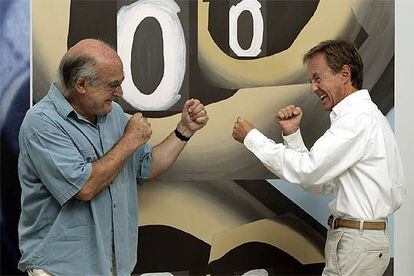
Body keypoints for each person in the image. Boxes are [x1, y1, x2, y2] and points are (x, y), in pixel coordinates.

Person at [17, 39, 208, 276]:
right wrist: (129, 141)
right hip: (61, 270)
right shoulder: (41, 123)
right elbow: (84, 186)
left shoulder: (112, 113)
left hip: (115, 267)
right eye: (113, 86)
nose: (120, 93)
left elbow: (147, 167)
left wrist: (184, 130)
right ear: (81, 84)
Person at [232, 39, 406, 276]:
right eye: (311, 81)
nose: (313, 88)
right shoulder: (365, 119)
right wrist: (292, 135)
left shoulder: (356, 121)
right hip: (357, 242)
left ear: (345, 73)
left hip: (357, 244)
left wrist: (251, 138)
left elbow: (308, 170)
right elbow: (319, 183)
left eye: (317, 78)